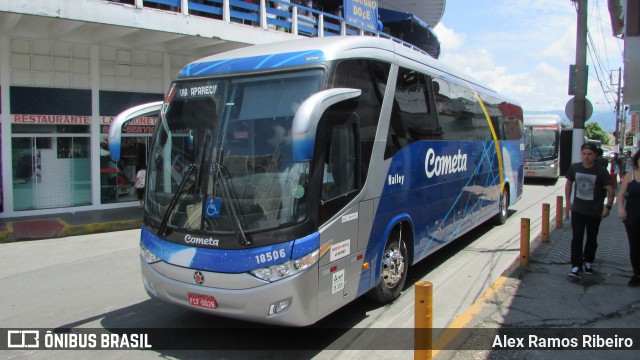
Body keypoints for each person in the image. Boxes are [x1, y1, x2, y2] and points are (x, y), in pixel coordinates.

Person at [565, 142, 615, 279]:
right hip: (578, 210)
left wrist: (608, 207)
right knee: (577, 237)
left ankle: (588, 261)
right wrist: (567, 202)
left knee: (592, 238)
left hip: (595, 211)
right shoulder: (575, 168)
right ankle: (575, 265)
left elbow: (611, 190)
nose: (586, 157)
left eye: (589, 154)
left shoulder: (601, 171)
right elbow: (568, 183)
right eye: (584, 154)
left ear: (595, 155)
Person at [617, 151, 640, 287]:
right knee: (635, 246)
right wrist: (620, 208)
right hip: (633, 215)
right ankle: (636, 273)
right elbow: (621, 194)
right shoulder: (630, 175)